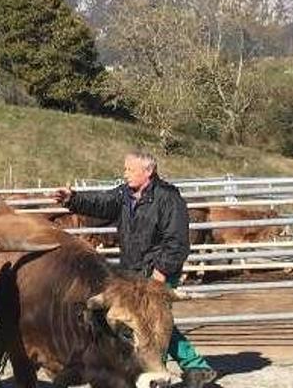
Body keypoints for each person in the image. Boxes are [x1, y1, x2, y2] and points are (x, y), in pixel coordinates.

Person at [52, 150, 218, 388]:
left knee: (154, 322)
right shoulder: (125, 194)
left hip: (158, 272)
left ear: (148, 171)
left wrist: (160, 273)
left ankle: (161, 373)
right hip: (131, 272)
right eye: (125, 169)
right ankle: (193, 366)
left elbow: (177, 241)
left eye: (130, 169)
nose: (125, 173)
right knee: (146, 322)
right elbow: (101, 202)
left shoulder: (168, 198)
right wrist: (72, 199)